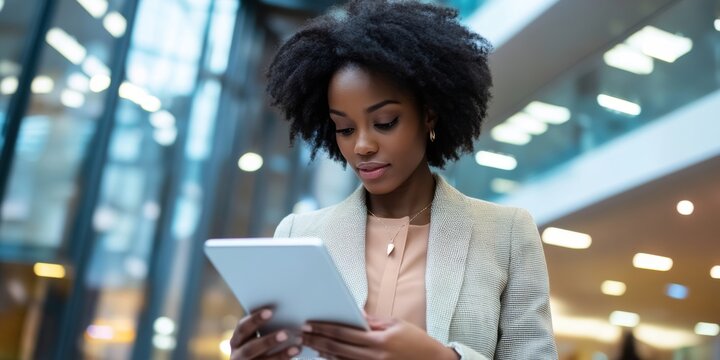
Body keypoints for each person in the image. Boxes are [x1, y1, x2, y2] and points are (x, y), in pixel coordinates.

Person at [229, 0, 557, 359]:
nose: (362, 146)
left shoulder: (506, 234)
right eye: (345, 128)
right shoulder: (297, 235)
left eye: (385, 122)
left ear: (429, 115)